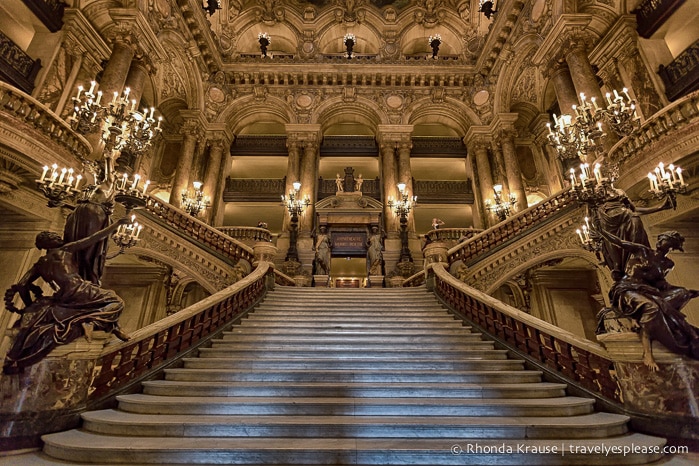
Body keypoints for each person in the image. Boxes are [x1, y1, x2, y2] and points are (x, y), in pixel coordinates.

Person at [3, 217, 132, 374]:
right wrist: (116, 225)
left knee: (104, 303)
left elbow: (22, 285)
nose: (57, 237)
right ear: (45, 244)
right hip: (81, 289)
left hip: (63, 296)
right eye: (52, 237)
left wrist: (28, 305)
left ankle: (103, 323)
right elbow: (93, 238)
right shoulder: (66, 250)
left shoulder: (40, 264)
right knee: (117, 301)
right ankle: (90, 320)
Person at [597, 226, 699, 371]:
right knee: (651, 307)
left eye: (665, 240)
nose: (660, 240)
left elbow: (662, 285)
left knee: (682, 293)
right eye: (661, 238)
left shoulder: (668, 264)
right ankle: (647, 353)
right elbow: (619, 242)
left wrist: (688, 292)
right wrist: (601, 231)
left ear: (671, 246)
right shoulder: (642, 250)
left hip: (649, 291)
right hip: (627, 288)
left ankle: (678, 329)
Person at [63, 153, 117, 286]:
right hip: (82, 214)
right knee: (76, 245)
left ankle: (90, 279)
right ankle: (77, 276)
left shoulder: (106, 187)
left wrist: (109, 159)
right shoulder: (91, 188)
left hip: (94, 215)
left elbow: (110, 177)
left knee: (90, 248)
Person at [596, 188, 672, 281]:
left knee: (637, 244)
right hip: (609, 224)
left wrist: (660, 207)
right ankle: (619, 268)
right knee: (616, 252)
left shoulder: (619, 192)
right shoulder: (593, 195)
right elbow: (591, 218)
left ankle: (638, 265)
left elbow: (634, 209)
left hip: (628, 218)